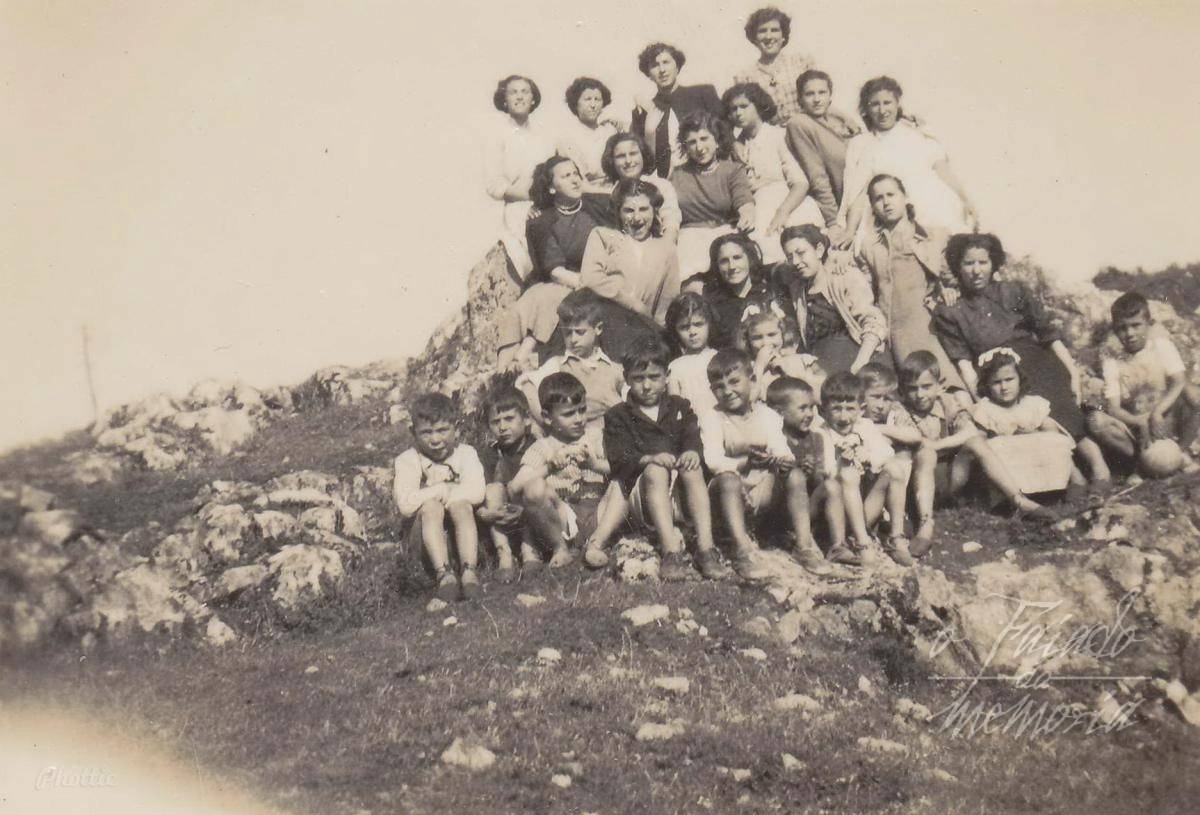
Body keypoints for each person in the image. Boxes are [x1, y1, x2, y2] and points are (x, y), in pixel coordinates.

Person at [932, 232, 1110, 483]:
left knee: (1059, 409)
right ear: (957, 267)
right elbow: (962, 362)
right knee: (1026, 420)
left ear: (993, 263)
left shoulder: (1014, 291)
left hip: (1036, 362)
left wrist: (1071, 371)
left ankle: (1098, 464)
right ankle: (1070, 475)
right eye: (968, 263)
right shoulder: (950, 311)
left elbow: (1048, 333)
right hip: (996, 372)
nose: (976, 270)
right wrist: (981, 399)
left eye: (983, 262)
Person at [896, 352, 1055, 557]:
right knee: (926, 454)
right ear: (902, 390)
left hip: (950, 479)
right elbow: (915, 443)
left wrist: (937, 444)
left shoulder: (947, 402)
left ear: (940, 385)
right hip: (919, 484)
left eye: (926, 387)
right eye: (912, 389)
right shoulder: (900, 410)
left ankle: (1019, 500)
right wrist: (931, 448)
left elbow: (969, 431)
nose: (919, 395)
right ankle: (926, 522)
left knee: (975, 442)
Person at [595, 340, 730, 580]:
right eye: (638, 378)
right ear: (626, 378)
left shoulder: (679, 406)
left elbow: (692, 436)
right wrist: (648, 458)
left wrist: (691, 451)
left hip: (677, 495)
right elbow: (618, 457)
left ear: (666, 376)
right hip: (641, 494)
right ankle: (671, 552)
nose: (647, 386)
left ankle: (706, 549)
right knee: (655, 469)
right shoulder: (618, 415)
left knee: (693, 468)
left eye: (654, 377)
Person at [499, 156, 613, 371]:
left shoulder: (597, 205)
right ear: (551, 188)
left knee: (549, 298)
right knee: (533, 302)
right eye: (566, 176)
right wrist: (586, 282)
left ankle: (523, 356)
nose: (575, 179)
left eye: (576, 174)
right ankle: (504, 370)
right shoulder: (542, 220)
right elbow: (555, 271)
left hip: (597, 277)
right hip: (563, 279)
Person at [838, 76, 977, 247]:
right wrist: (850, 231)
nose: (882, 110)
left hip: (937, 204)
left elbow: (943, 171)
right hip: (896, 214)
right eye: (875, 104)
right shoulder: (863, 144)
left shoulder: (917, 134)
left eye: (887, 103)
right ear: (866, 108)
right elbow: (858, 192)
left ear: (897, 103)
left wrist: (966, 200)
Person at [856, 175, 965, 389]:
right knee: (916, 387)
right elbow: (866, 292)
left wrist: (950, 290)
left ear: (904, 196)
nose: (886, 202)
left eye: (891, 194)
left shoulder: (934, 236)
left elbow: (954, 277)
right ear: (872, 206)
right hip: (894, 328)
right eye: (878, 198)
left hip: (929, 323)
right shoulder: (868, 247)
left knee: (947, 383)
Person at [699, 348, 791, 581]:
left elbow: (780, 446)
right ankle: (741, 549)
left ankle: (804, 543)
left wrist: (781, 459)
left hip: (762, 487)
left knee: (795, 475)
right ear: (712, 390)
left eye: (734, 382)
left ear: (752, 380)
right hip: (729, 492)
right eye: (719, 387)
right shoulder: (713, 417)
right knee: (727, 478)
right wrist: (744, 462)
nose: (727, 391)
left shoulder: (768, 415)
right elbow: (713, 461)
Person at [1088, 292, 1200, 475]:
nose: (1130, 333)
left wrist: (1157, 412)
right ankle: (1141, 464)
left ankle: (1181, 453)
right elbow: (1114, 409)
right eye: (1122, 328)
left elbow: (1179, 381)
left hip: (1167, 420)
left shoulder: (1161, 346)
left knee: (1194, 394)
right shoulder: (1112, 362)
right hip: (1138, 431)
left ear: (1149, 324)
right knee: (1095, 421)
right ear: (1115, 330)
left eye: (1136, 325)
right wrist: (1139, 422)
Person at [509, 373, 612, 569]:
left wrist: (594, 465)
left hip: (599, 510)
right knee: (534, 488)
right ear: (547, 417)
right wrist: (550, 467)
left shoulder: (597, 437)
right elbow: (514, 487)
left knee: (622, 481)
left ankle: (597, 543)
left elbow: (620, 468)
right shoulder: (543, 447)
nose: (579, 419)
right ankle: (560, 548)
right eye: (569, 414)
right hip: (564, 516)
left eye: (582, 410)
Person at [393, 393, 486, 601]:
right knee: (431, 507)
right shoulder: (408, 460)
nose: (435, 440)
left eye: (442, 430)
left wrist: (448, 495)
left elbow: (478, 492)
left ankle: (469, 571)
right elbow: (406, 505)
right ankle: (443, 574)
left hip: (459, 532)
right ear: (413, 433)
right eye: (426, 432)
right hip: (423, 540)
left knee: (461, 505)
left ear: (457, 428)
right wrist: (440, 491)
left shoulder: (466, 453)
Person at [578, 178, 680, 362]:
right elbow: (591, 278)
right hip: (606, 320)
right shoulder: (603, 236)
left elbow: (667, 300)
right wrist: (633, 304)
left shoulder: (666, 249)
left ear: (655, 211)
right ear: (618, 212)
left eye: (644, 209)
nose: (637, 218)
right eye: (629, 210)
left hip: (643, 327)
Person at [970, 348, 1091, 501]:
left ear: (1020, 379)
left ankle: (1074, 478)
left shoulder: (1032, 404)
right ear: (986, 385)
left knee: (1052, 433)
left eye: (1009, 379)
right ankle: (1014, 495)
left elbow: (1052, 433)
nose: (1004, 387)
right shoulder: (986, 409)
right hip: (1010, 462)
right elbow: (981, 444)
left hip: (1037, 457)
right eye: (996, 382)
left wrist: (1035, 433)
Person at [819, 372, 914, 566]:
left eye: (850, 409)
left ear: (861, 410)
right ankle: (863, 543)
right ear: (824, 411)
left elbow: (886, 453)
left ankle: (896, 537)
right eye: (836, 409)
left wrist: (867, 457)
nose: (844, 417)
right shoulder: (822, 433)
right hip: (836, 513)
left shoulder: (865, 426)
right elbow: (825, 471)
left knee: (894, 469)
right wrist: (842, 461)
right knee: (848, 473)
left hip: (864, 508)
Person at [723, 82, 823, 262]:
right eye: (733, 109)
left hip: (788, 203)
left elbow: (800, 183)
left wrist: (782, 213)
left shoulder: (778, 136)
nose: (738, 113)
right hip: (756, 208)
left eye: (744, 106)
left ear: (758, 105)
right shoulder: (737, 146)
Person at [773, 224, 888, 375]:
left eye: (801, 253)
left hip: (860, 360)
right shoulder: (797, 288)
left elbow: (874, 321)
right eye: (789, 257)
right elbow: (774, 271)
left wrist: (861, 362)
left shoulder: (844, 276)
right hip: (823, 366)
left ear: (819, 250)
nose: (795, 261)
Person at [765, 376, 843, 573]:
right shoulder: (771, 438)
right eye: (803, 408)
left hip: (807, 509)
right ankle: (802, 545)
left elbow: (821, 481)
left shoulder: (817, 438)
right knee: (794, 476)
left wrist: (814, 473)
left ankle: (838, 546)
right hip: (779, 509)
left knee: (832, 486)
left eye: (812, 408)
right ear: (779, 413)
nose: (810, 414)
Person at [517, 290, 625, 428]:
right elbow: (526, 386)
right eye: (567, 333)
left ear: (598, 329)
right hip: (573, 435)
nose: (573, 339)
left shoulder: (613, 368)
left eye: (580, 332)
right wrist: (551, 426)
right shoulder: (558, 364)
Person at [484, 75, 555, 281]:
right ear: (504, 100)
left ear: (533, 99)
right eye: (513, 92)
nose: (520, 97)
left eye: (525, 92)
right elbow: (494, 184)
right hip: (517, 209)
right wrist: (530, 196)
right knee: (525, 264)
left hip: (547, 205)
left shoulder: (544, 135)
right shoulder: (497, 135)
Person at [670, 112, 756, 278]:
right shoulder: (677, 175)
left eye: (704, 139)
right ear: (685, 147)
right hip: (691, 237)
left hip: (725, 233)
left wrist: (747, 214)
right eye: (692, 142)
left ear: (717, 141)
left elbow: (743, 199)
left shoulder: (732, 170)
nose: (699, 147)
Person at [630, 42, 723, 179]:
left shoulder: (703, 94)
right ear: (648, 74)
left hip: (711, 175)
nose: (662, 70)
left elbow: (725, 134)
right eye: (655, 65)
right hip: (669, 180)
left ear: (677, 66)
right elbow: (642, 158)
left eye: (666, 62)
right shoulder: (644, 110)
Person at [785, 70, 861, 235]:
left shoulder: (837, 120)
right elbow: (816, 174)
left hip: (863, 196)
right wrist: (833, 221)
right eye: (809, 94)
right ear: (799, 99)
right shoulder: (799, 124)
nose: (817, 99)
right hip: (844, 206)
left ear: (830, 95)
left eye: (822, 92)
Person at [476, 384, 540, 580]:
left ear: (526, 419)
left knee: (529, 485)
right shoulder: (489, 454)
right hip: (500, 519)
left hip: (533, 518)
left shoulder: (536, 447)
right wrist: (487, 513)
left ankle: (530, 552)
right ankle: (504, 554)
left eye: (509, 419)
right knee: (492, 489)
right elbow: (478, 492)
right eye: (496, 422)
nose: (502, 427)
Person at [691, 233, 789, 349]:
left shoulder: (770, 291)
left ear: (750, 258)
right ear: (717, 266)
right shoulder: (713, 304)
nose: (732, 266)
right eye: (724, 261)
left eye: (737, 257)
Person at [732, 6, 814, 125]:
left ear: (783, 36)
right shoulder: (745, 77)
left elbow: (821, 100)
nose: (768, 36)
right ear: (754, 38)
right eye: (762, 31)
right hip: (771, 135)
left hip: (806, 129)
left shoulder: (802, 63)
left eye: (774, 30)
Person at [600, 131, 682, 242]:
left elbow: (671, 221)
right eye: (620, 156)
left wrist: (665, 245)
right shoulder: (609, 191)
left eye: (633, 153)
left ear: (643, 155)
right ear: (612, 161)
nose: (628, 161)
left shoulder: (662, 186)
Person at [558, 77, 623, 191]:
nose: (593, 105)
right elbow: (578, 182)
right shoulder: (567, 138)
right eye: (587, 99)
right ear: (576, 103)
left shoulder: (610, 130)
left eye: (597, 99)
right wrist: (608, 193)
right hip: (588, 194)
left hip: (618, 188)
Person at [740, 311, 824, 398]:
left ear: (782, 334)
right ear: (748, 341)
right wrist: (759, 366)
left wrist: (794, 374)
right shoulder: (749, 368)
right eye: (757, 338)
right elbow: (749, 398)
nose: (766, 343)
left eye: (772, 335)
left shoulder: (801, 360)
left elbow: (824, 388)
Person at [665, 292, 720, 415]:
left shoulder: (718, 357)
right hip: (691, 423)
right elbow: (674, 408)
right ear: (675, 331)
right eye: (684, 327)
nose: (692, 332)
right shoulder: (675, 367)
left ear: (709, 324)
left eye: (698, 324)